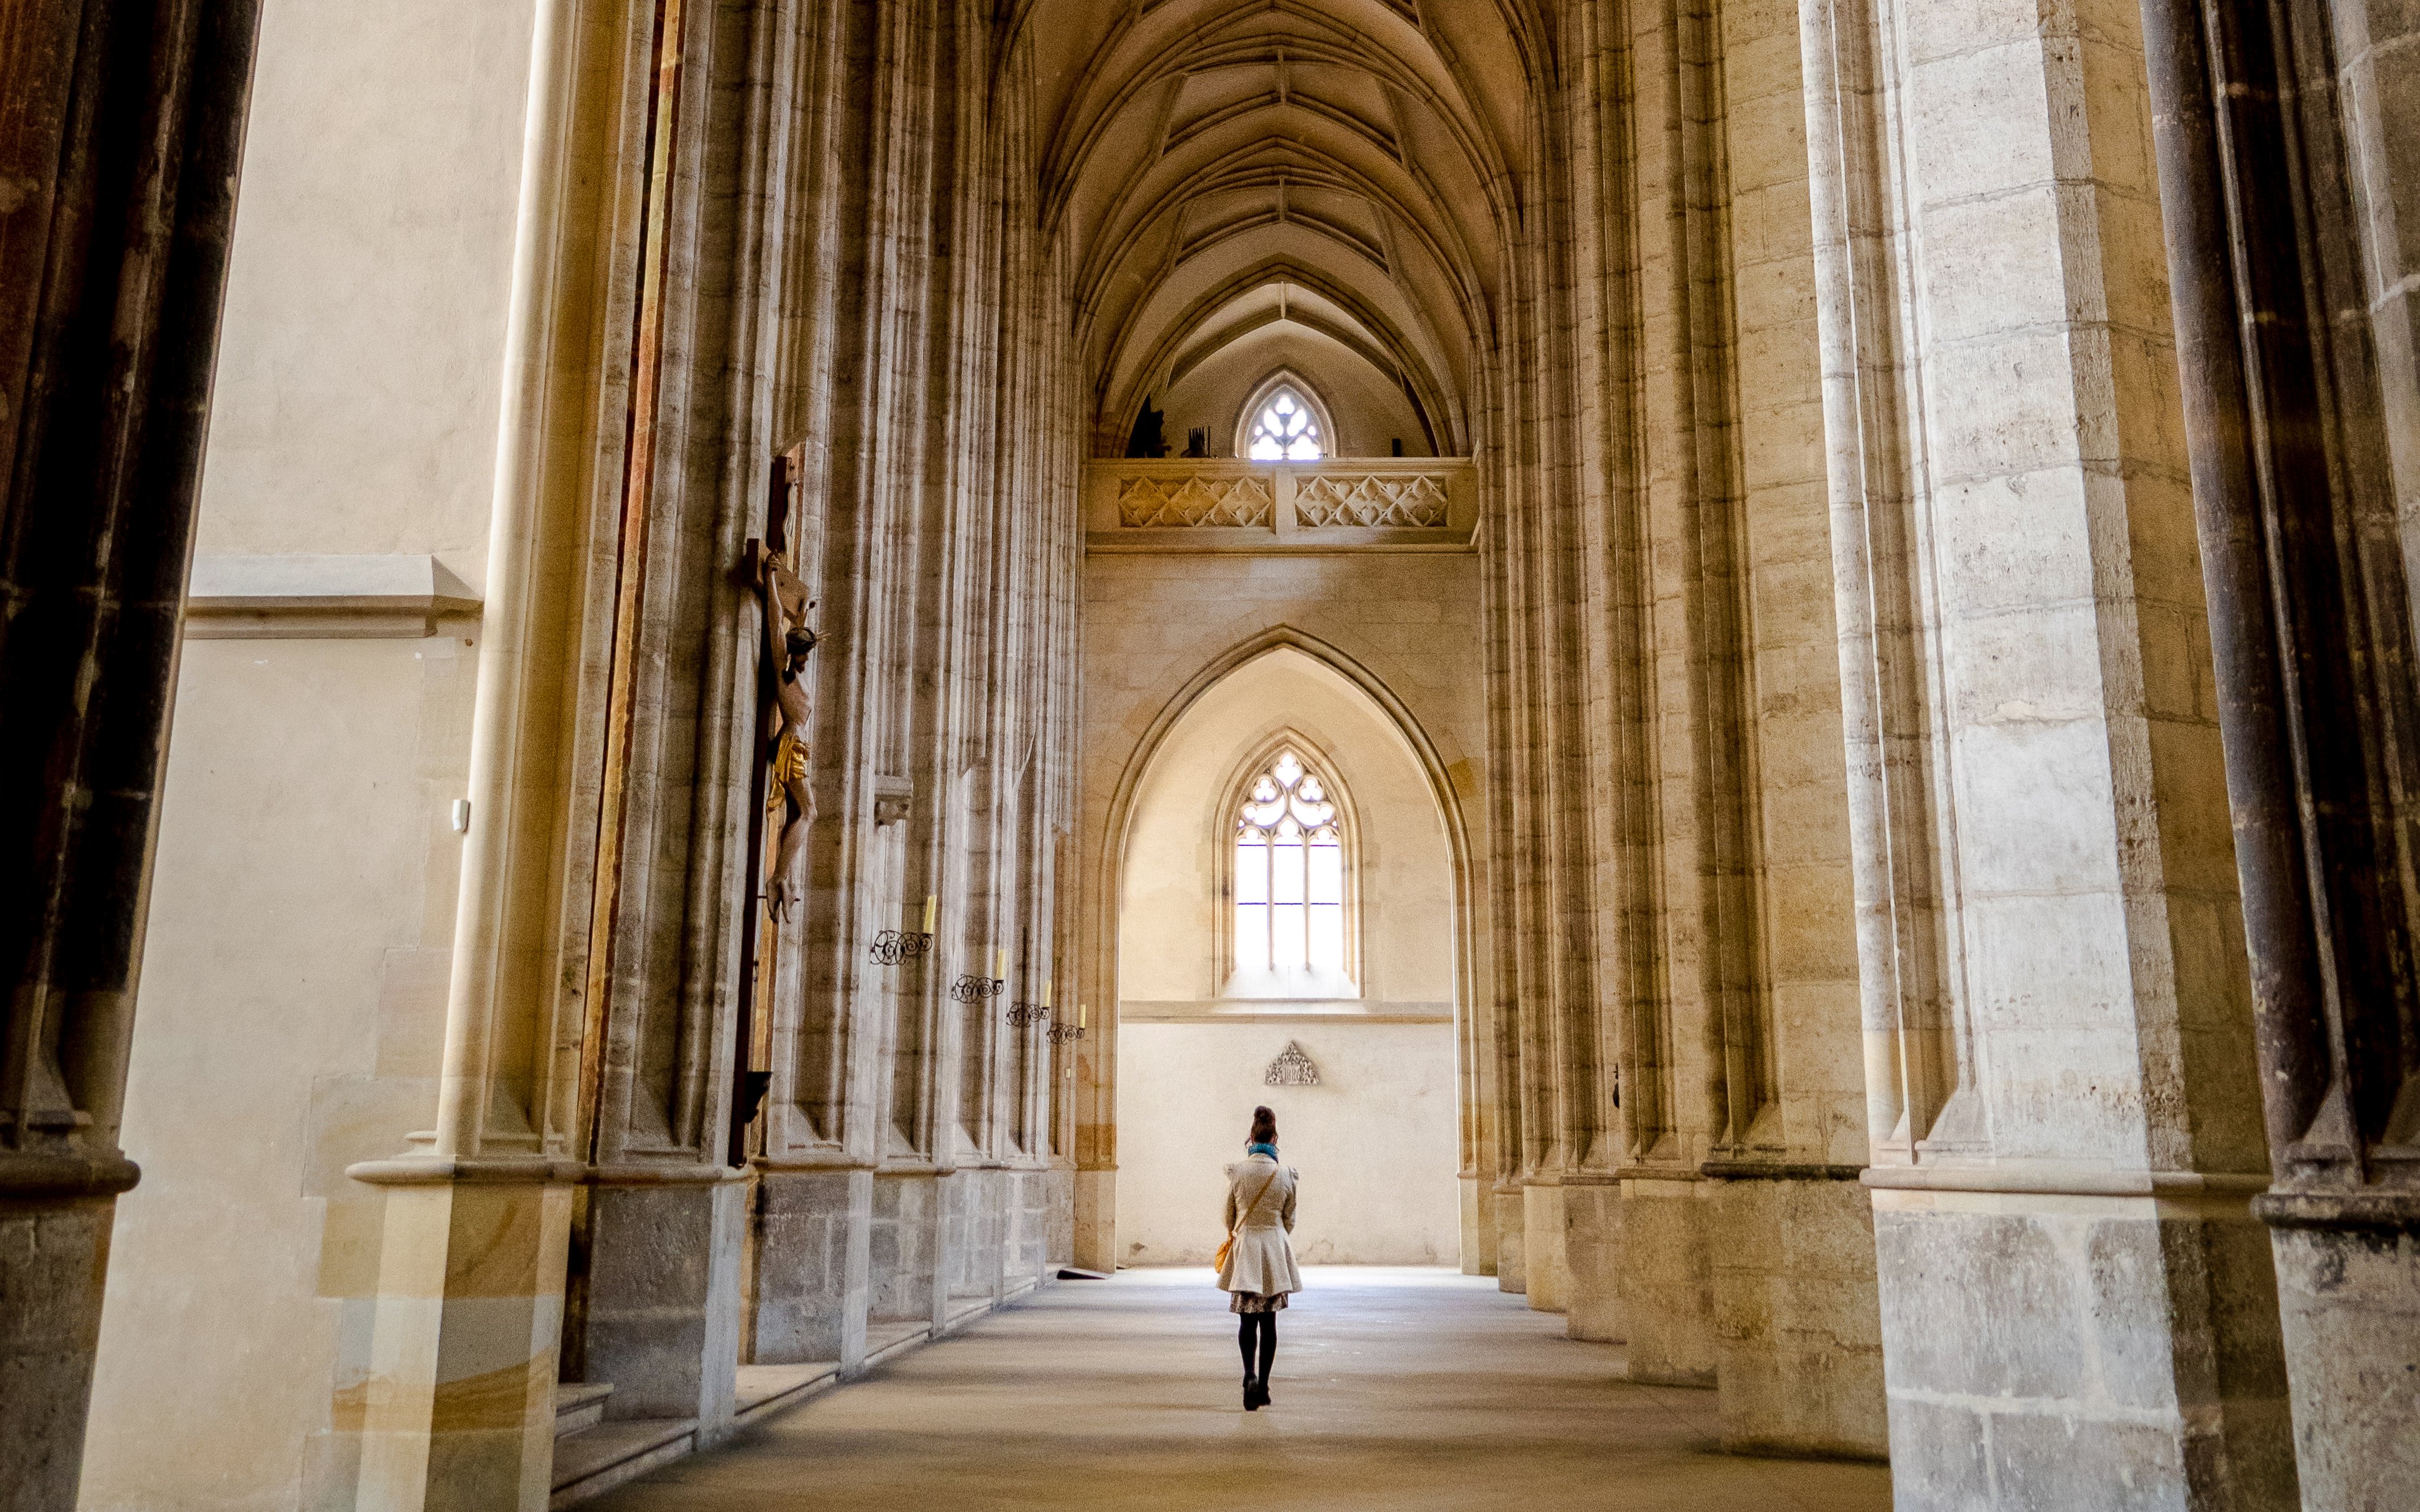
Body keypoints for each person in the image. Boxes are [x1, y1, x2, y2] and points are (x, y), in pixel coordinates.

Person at [1217, 1105, 1301, 1410]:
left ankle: (1248, 1375)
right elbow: (1290, 1219)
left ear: (1251, 1136)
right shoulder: (1285, 1174)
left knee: (1246, 1321)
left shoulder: (1237, 1172)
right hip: (1274, 1253)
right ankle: (1263, 1385)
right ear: (1274, 1136)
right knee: (1269, 1323)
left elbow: (1228, 1217)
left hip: (1247, 1251)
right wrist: (1275, 1233)